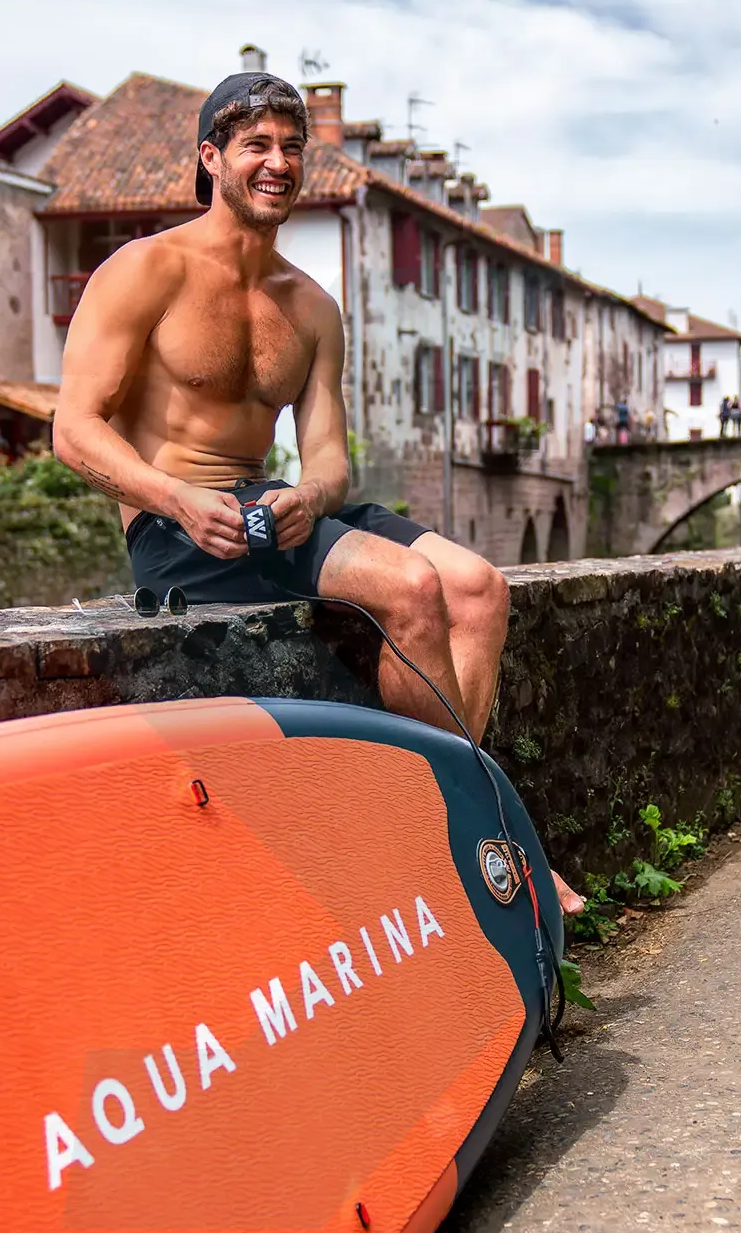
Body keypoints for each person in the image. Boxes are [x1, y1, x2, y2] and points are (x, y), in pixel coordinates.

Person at [53, 69, 584, 918]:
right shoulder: (144, 269)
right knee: (411, 588)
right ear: (211, 158)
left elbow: (330, 462)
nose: (278, 163)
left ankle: (442, 823)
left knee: (480, 588)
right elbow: (73, 430)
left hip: (275, 513)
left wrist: (309, 495)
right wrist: (174, 498)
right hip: (185, 525)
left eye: (292, 147)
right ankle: (475, 840)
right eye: (256, 145)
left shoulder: (310, 306)